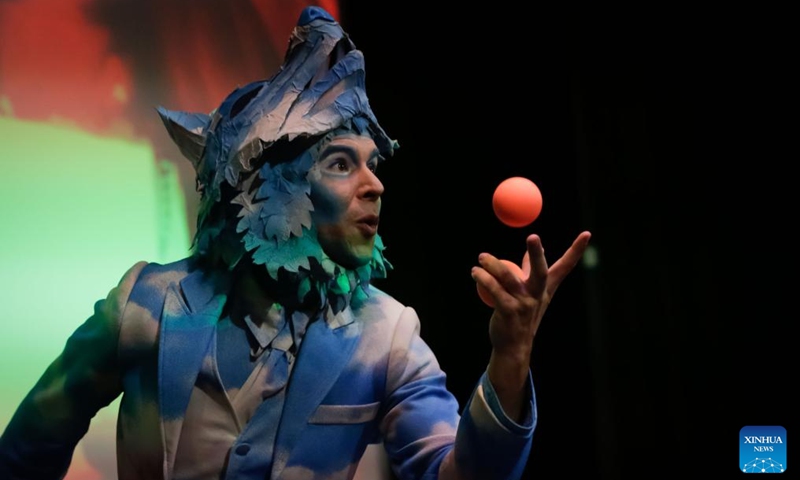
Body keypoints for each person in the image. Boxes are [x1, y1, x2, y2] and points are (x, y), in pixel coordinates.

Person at [0, 6, 591, 480]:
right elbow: (26, 453)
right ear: (266, 186)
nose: (376, 184)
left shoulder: (386, 334)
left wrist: (510, 358)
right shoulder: (146, 306)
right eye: (341, 164)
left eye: (373, 164)